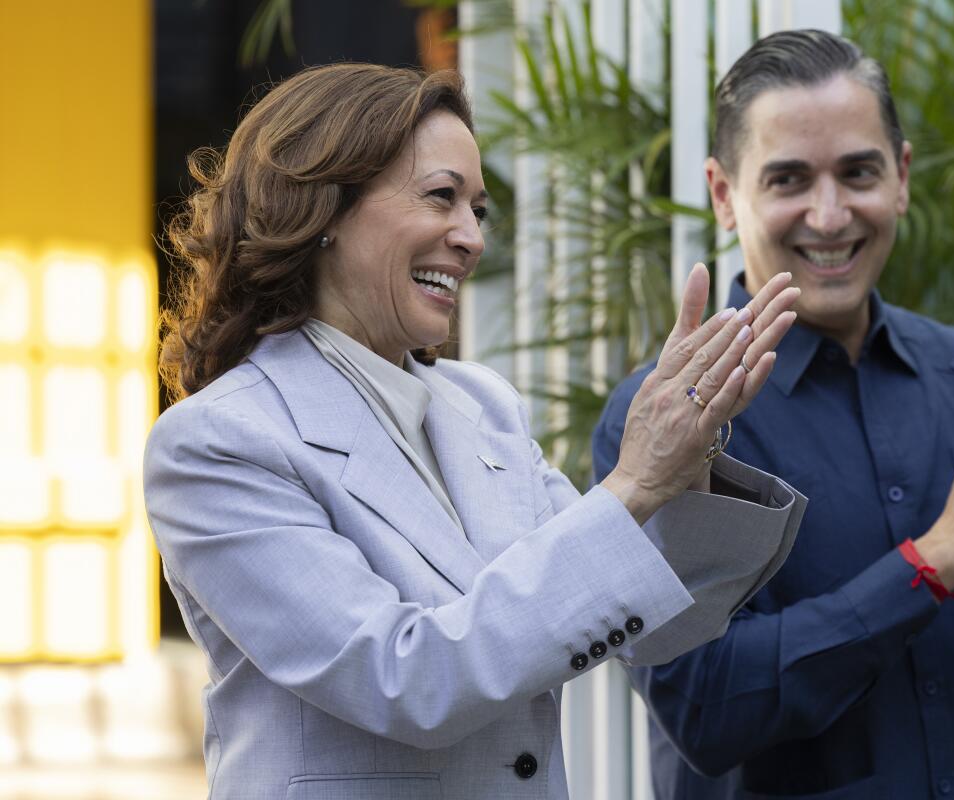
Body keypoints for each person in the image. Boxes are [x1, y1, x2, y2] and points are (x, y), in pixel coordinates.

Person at [144, 63, 810, 799]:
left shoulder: (482, 404)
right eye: (441, 198)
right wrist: (635, 480)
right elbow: (408, 680)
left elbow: (653, 624)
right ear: (323, 210)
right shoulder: (217, 443)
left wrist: (688, 459)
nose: (470, 239)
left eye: (478, 209)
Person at [593, 30, 954, 800]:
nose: (829, 216)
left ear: (902, 178)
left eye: (858, 173)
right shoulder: (669, 423)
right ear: (725, 194)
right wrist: (936, 561)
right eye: (789, 179)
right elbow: (706, 709)